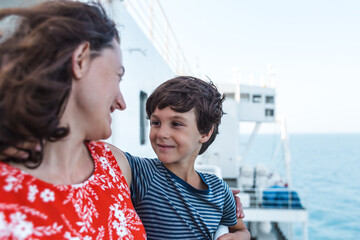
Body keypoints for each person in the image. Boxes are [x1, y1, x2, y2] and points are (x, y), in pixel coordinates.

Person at [0, 1, 146, 239]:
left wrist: (230, 228)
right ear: (80, 60)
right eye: (117, 76)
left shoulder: (114, 164)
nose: (122, 103)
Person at [124, 76, 251, 240]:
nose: (161, 133)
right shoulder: (142, 174)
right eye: (156, 123)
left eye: (176, 124)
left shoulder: (220, 191)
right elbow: (105, 153)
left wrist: (239, 237)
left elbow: (242, 230)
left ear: (205, 132)